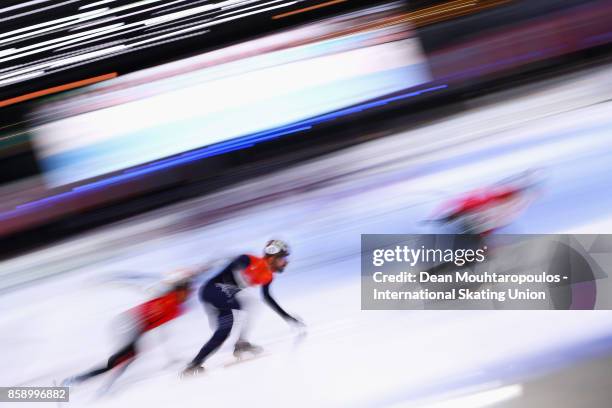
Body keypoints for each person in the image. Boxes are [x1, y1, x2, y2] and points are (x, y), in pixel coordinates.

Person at [182, 239, 303, 376]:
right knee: (244, 303)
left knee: (224, 331)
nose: (285, 262)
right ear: (273, 257)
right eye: (283, 258)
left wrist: (288, 318)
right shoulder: (249, 259)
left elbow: (268, 299)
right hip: (212, 290)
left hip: (223, 297)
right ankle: (241, 344)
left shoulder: (268, 276)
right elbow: (232, 268)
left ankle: (194, 364)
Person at [62, 273, 194, 387]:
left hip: (133, 325)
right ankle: (76, 380)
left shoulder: (177, 307)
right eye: (186, 292)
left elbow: (162, 328)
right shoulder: (168, 299)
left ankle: (100, 383)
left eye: (189, 292)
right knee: (120, 360)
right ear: (179, 290)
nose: (188, 295)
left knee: (128, 357)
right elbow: (137, 283)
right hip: (129, 323)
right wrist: (107, 280)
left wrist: (171, 356)